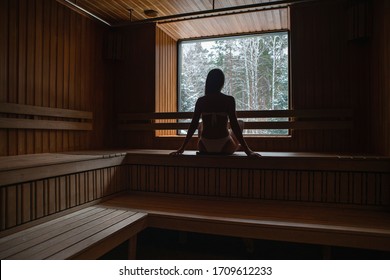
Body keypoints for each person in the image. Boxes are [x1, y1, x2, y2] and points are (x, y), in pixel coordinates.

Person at [170, 69, 260, 157]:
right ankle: (236, 145)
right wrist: (248, 151)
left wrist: (181, 148)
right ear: (222, 83)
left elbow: (193, 125)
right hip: (225, 146)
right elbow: (234, 125)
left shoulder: (201, 101)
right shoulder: (229, 100)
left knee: (201, 124)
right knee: (240, 123)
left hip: (204, 147)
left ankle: (233, 144)